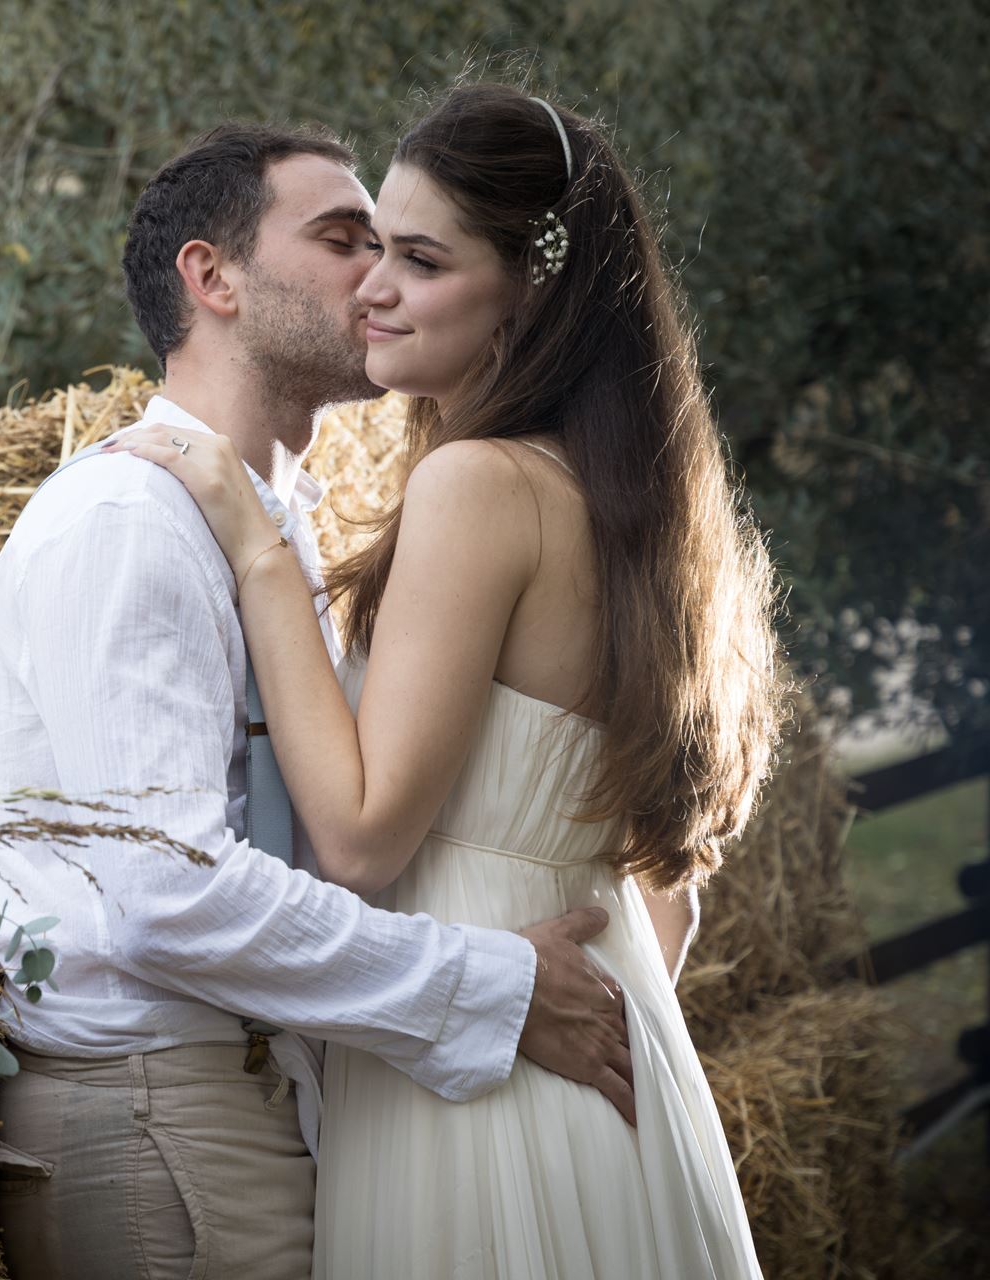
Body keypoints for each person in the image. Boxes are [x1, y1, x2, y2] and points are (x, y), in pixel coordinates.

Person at [109, 85, 782, 1279]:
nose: (370, 287)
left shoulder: (478, 485)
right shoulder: (626, 499)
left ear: (534, 293)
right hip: (604, 1061)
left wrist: (259, 547)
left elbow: (363, 837)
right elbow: (663, 876)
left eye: (418, 261)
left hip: (484, 1070)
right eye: (369, 246)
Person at [0, 121, 634, 1280]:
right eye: (342, 240)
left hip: (260, 1101)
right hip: (158, 1115)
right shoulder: (132, 519)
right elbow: (167, 893)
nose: (375, 281)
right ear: (211, 278)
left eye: (404, 254)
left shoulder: (287, 524)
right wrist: (491, 983)